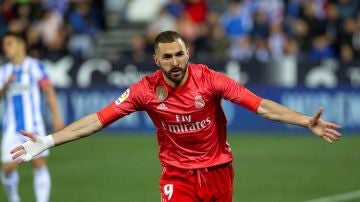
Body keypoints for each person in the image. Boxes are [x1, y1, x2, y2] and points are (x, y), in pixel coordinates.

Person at [10, 31, 341, 202]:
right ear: (156, 59)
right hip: (177, 176)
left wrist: (304, 121)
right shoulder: (144, 90)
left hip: (218, 172)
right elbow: (98, 119)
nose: (175, 61)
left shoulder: (210, 80)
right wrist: (48, 141)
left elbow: (262, 105)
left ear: (188, 53)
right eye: (167, 56)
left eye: (179, 54)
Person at [0, 31, 64, 202]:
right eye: (4, 44)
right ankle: (14, 198)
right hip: (11, 128)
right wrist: (5, 86)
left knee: (39, 163)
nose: (5, 48)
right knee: (7, 168)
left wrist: (56, 116)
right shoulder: (3, 71)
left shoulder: (36, 66)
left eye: (9, 43)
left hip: (34, 125)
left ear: (21, 44)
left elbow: (48, 90)